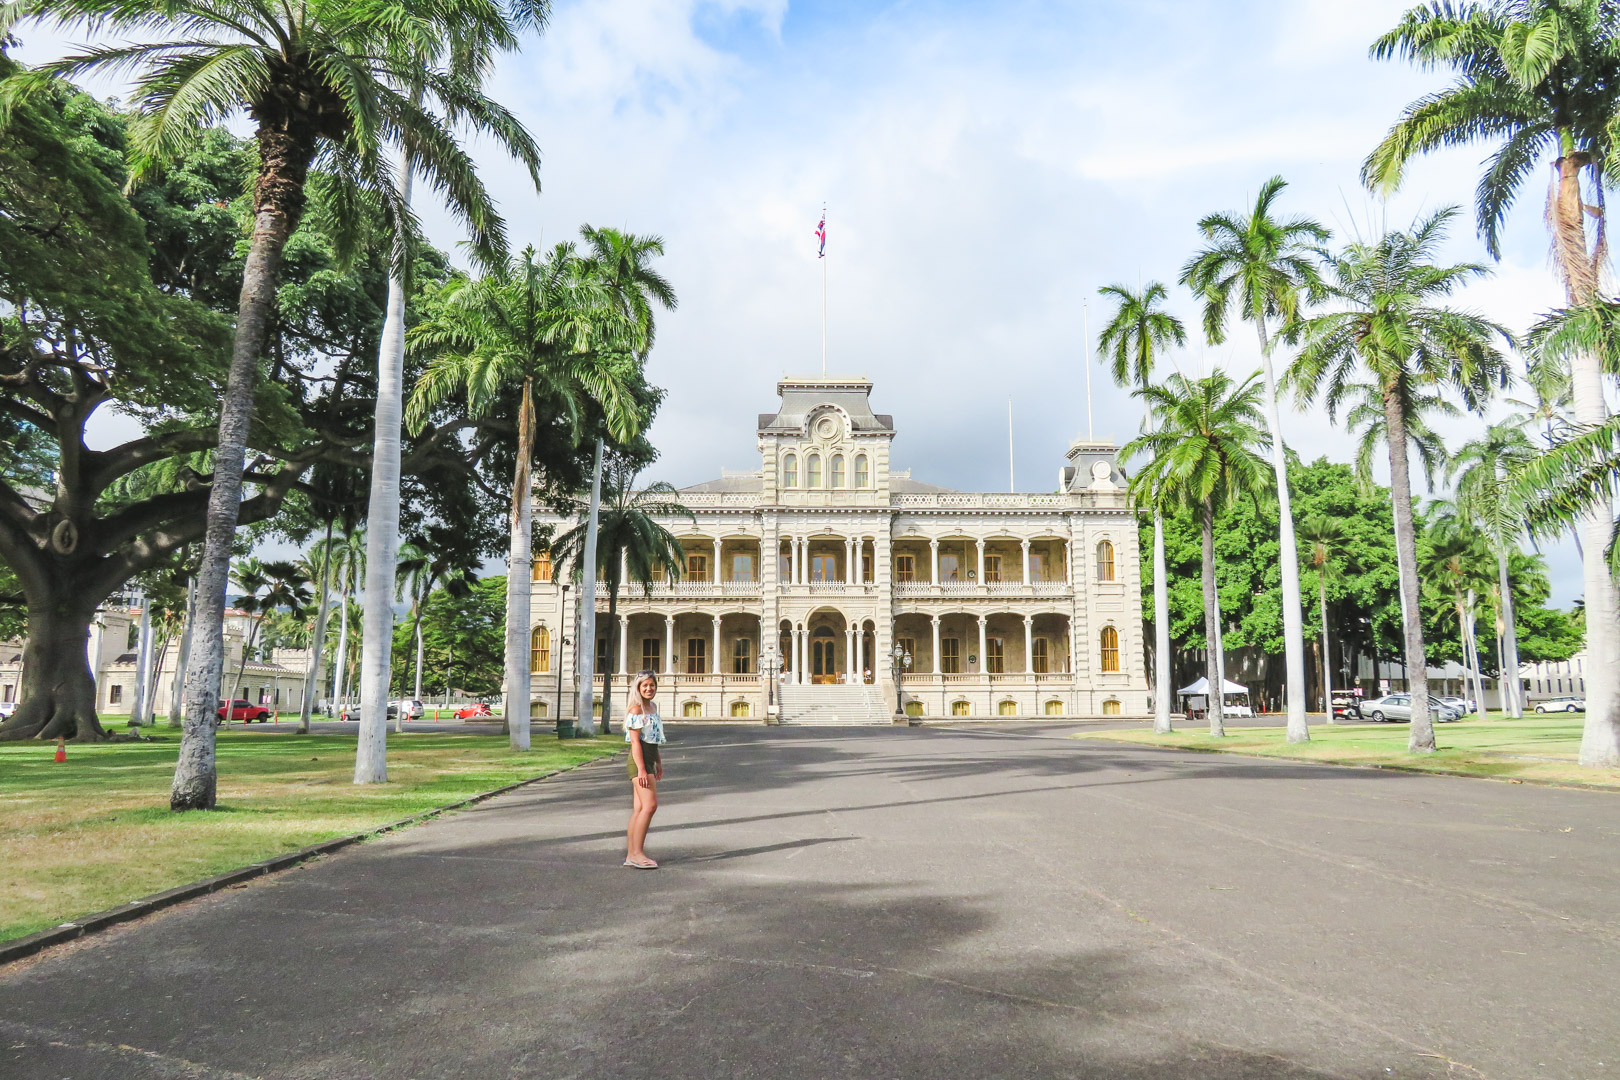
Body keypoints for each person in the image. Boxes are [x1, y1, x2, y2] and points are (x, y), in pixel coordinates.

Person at [623, 671, 665, 869]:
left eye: (652, 685)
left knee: (640, 808)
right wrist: (641, 769)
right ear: (638, 688)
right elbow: (635, 742)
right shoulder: (636, 710)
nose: (649, 689)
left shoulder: (653, 707)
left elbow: (654, 739)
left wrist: (658, 762)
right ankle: (637, 854)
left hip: (649, 758)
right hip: (638, 761)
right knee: (650, 806)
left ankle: (631, 854)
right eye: (645, 686)